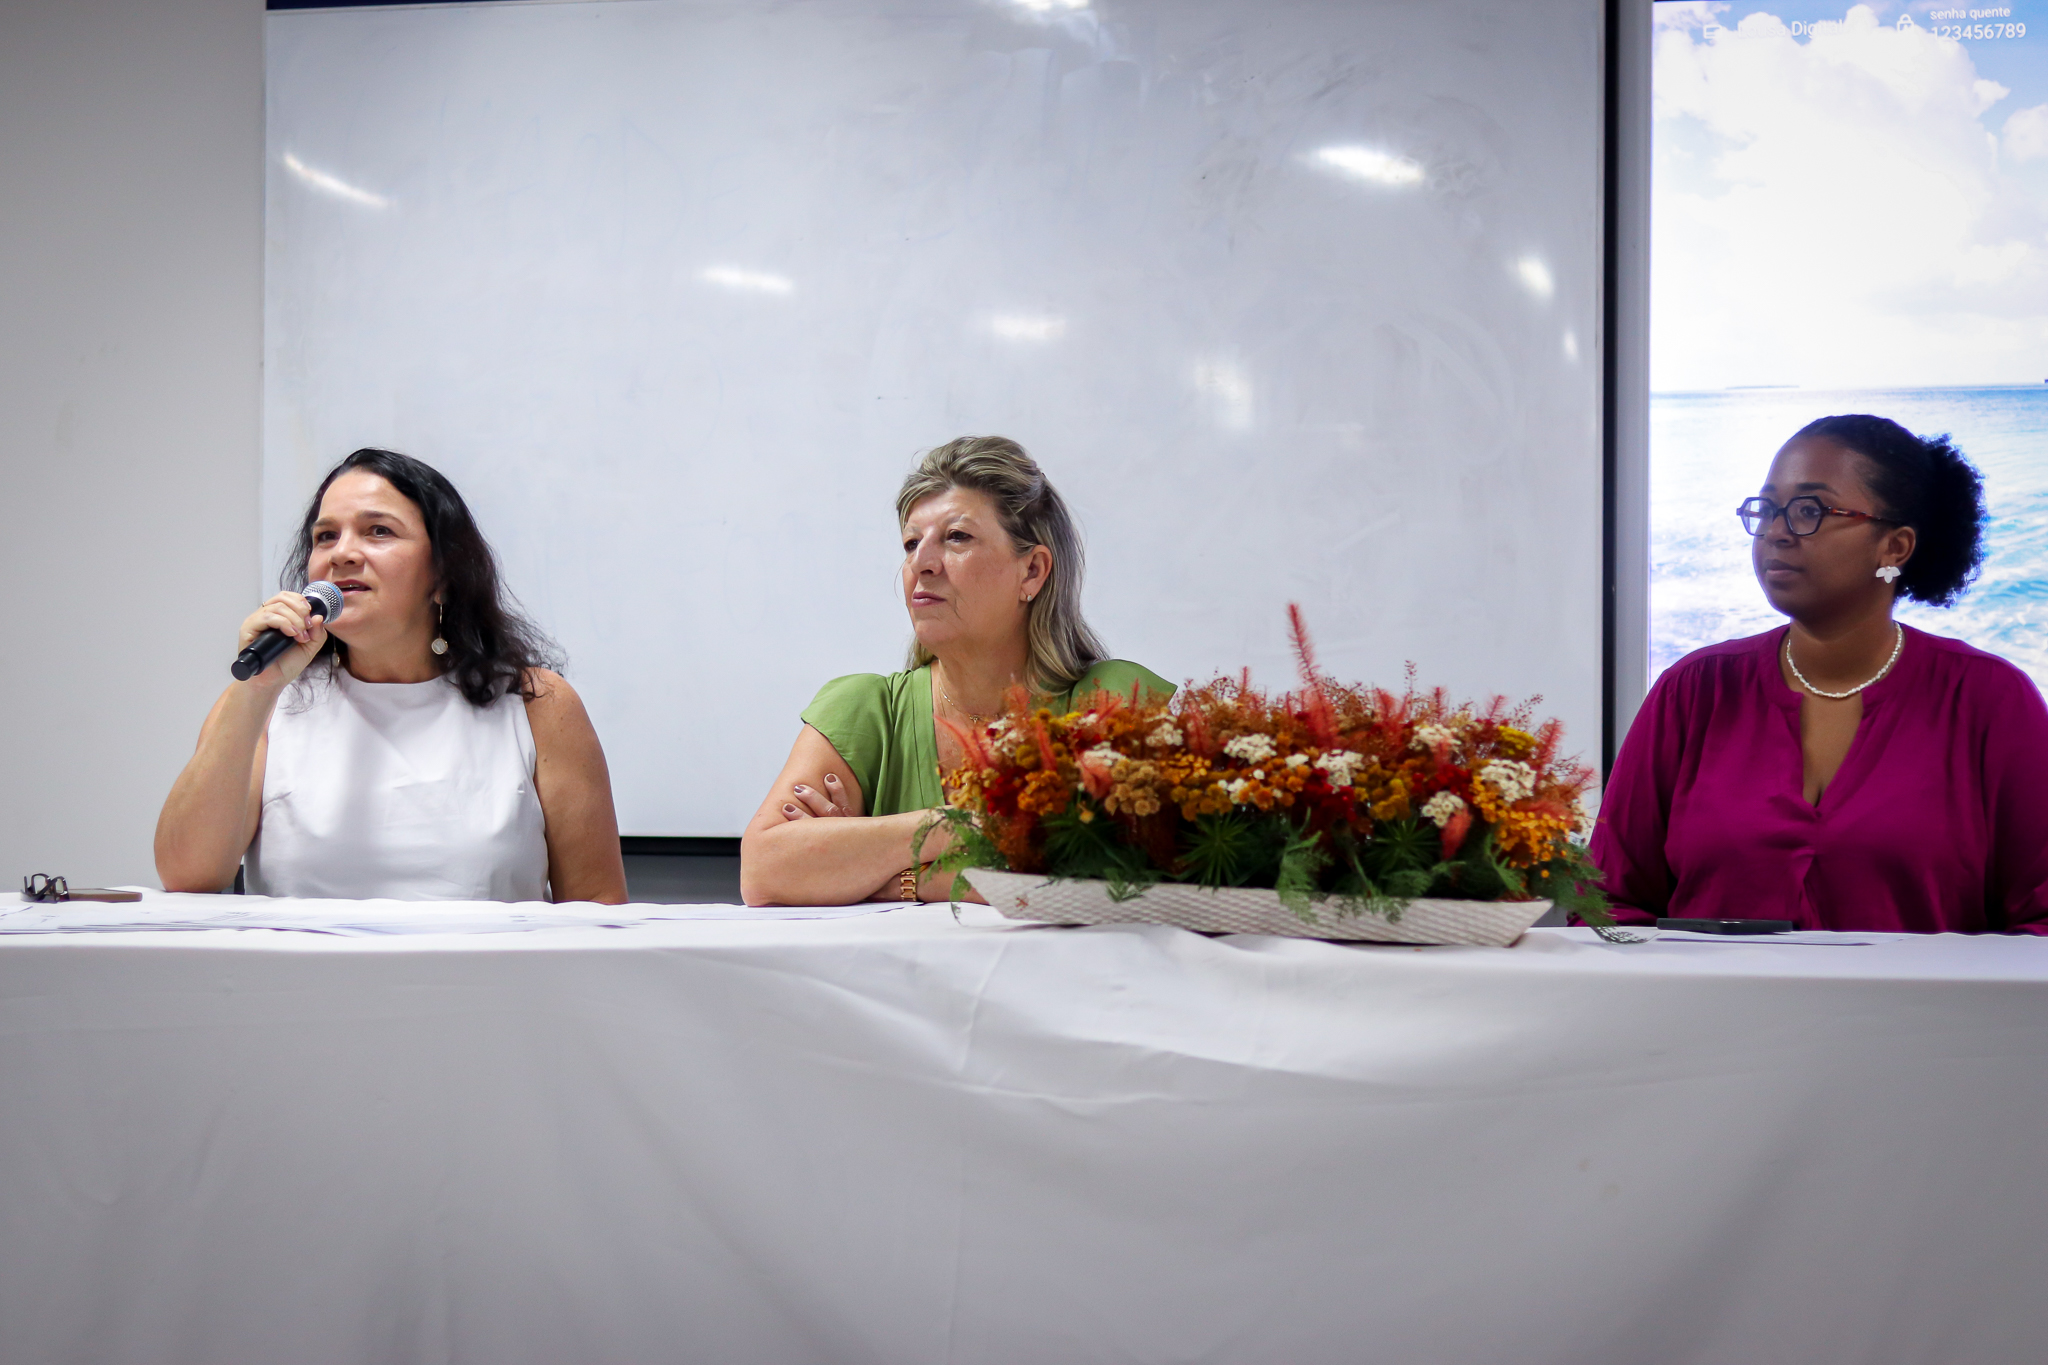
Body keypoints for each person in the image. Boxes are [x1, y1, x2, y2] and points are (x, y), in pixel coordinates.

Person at [1592, 414, 2048, 933]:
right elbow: (1607, 901)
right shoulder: (1694, 692)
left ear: (1894, 547)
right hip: (1703, 992)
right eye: (1767, 510)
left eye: (1809, 511)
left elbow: (2042, 920)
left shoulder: (1989, 700)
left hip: (1926, 994)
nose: (1776, 533)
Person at [155, 448, 627, 904]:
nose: (342, 553)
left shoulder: (535, 703)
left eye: (378, 531)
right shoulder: (268, 701)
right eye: (326, 536)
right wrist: (257, 690)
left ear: (443, 574)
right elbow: (188, 874)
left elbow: (597, 905)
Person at [742, 437, 1173, 906]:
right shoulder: (865, 709)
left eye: (957, 537)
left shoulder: (1111, 700)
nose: (920, 563)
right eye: (911, 543)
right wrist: (954, 827)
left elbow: (1123, 872)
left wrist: (886, 871)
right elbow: (764, 871)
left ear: (1032, 571)